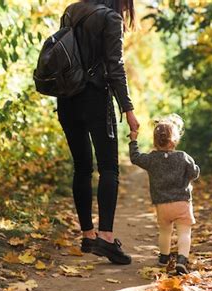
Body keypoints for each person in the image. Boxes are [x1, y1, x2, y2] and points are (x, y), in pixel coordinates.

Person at [56, 0, 139, 265]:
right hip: (95, 98)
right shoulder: (111, 18)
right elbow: (115, 67)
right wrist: (128, 109)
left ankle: (88, 234)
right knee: (109, 168)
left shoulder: (71, 10)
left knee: (81, 168)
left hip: (66, 98)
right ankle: (105, 237)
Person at [128, 115, 200, 274]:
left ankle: (164, 258)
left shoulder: (152, 159)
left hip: (162, 205)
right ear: (174, 140)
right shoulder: (183, 157)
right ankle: (182, 260)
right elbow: (194, 173)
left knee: (165, 231)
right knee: (184, 232)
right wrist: (190, 172)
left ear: (155, 141)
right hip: (182, 202)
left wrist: (133, 140)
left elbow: (135, 158)